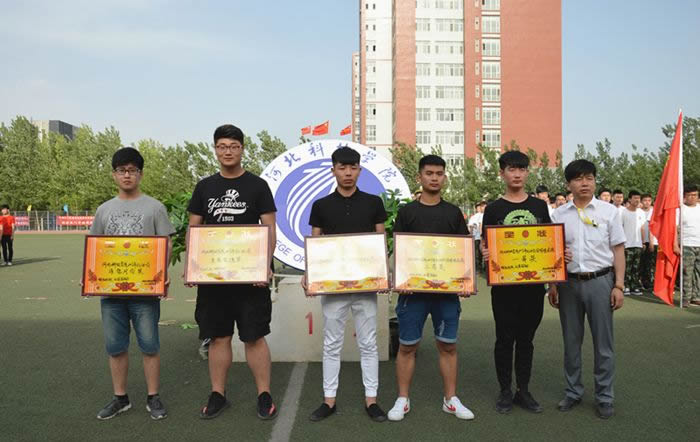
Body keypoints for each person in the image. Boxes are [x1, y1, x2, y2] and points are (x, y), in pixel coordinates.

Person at [187, 124, 278, 420]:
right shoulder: (204, 187)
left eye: (234, 146)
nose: (228, 151)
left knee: (254, 337)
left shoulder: (257, 186)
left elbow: (269, 229)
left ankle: (264, 394)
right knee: (218, 337)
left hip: (251, 279)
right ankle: (218, 393)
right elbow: (194, 229)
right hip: (214, 279)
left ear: (242, 149)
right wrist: (192, 266)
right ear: (215, 150)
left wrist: (264, 267)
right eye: (222, 146)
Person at [387, 155, 475, 422]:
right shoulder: (407, 212)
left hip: (445, 293)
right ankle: (403, 399)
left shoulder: (453, 212)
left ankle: (450, 399)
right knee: (407, 346)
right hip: (413, 293)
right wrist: (400, 279)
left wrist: (465, 281)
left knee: (447, 346)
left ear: (444, 177)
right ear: (420, 177)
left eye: (439, 174)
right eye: (429, 173)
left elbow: (463, 250)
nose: (434, 178)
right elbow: (400, 249)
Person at [90, 147, 176, 420]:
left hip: (145, 291)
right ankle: (121, 398)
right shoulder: (104, 210)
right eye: (121, 170)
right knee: (115, 347)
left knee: (149, 345)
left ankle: (153, 396)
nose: (127, 175)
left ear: (141, 174)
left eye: (132, 170)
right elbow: (95, 248)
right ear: (114, 175)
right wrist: (91, 275)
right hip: (111, 292)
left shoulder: (155, 207)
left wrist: (162, 272)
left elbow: (166, 243)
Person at [303, 146, 388, 422]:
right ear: (333, 171)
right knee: (331, 344)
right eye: (342, 168)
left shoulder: (374, 203)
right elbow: (315, 243)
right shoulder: (321, 205)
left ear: (360, 170)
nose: (348, 173)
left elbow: (380, 241)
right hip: (333, 286)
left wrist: (383, 273)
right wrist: (309, 272)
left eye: (353, 168)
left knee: (369, 344)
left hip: (366, 286)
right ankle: (329, 400)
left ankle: (372, 400)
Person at [548, 159, 626, 420]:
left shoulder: (609, 212)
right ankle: (573, 391)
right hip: (568, 284)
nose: (585, 183)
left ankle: (604, 396)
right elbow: (552, 252)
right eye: (578, 178)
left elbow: (618, 250)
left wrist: (619, 285)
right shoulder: (558, 215)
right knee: (571, 342)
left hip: (601, 282)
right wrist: (553, 284)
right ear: (568, 184)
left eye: (589, 178)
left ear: (594, 181)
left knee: (604, 344)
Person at [481, 151, 552, 414]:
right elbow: (486, 243)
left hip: (533, 287)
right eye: (512, 169)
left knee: (526, 340)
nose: (517, 174)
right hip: (504, 287)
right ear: (502, 173)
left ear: (527, 172)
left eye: (522, 169)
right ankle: (505, 391)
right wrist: (485, 253)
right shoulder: (493, 209)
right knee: (504, 339)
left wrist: (555, 270)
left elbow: (549, 241)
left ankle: (523, 390)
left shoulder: (539, 207)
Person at [675, 184, 700, 307]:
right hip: (687, 244)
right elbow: (675, 229)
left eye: (694, 195)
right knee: (687, 273)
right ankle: (686, 297)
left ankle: (697, 296)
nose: (692, 197)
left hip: (699, 244)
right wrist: (676, 244)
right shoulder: (680, 209)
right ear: (684, 196)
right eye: (689, 195)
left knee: (698, 272)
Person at [620, 190, 646, 296]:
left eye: (638, 198)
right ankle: (625, 286)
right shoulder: (623, 212)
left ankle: (634, 286)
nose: (637, 200)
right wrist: (621, 243)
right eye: (635, 198)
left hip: (638, 244)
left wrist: (643, 242)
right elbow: (620, 228)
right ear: (629, 199)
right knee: (627, 267)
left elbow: (642, 228)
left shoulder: (641, 213)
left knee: (636, 267)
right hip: (627, 245)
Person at [639, 194, 656, 290]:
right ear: (641, 201)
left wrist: (651, 242)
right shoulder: (638, 211)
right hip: (640, 241)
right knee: (641, 262)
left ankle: (648, 282)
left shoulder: (654, 211)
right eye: (645, 200)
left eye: (649, 200)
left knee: (649, 263)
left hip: (651, 241)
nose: (647, 202)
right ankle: (640, 281)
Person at [468, 201, 485, 273]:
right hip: (476, 237)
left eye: (480, 206)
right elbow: (471, 227)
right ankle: (478, 268)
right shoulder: (473, 217)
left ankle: (484, 268)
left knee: (483, 253)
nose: (479, 208)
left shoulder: (484, 215)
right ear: (476, 208)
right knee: (477, 254)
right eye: (478, 207)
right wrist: (471, 236)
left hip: (482, 237)